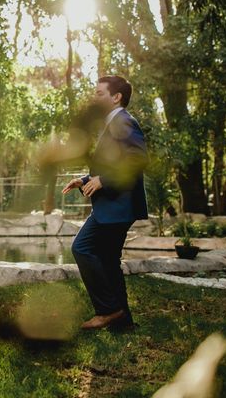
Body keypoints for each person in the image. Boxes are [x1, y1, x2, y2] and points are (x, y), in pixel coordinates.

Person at [62, 75, 148, 330]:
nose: (95, 98)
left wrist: (103, 180)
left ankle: (107, 310)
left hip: (117, 206)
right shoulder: (113, 123)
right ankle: (123, 321)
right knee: (109, 260)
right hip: (114, 206)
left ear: (116, 97)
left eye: (99, 93)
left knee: (82, 248)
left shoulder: (124, 122)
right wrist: (86, 179)